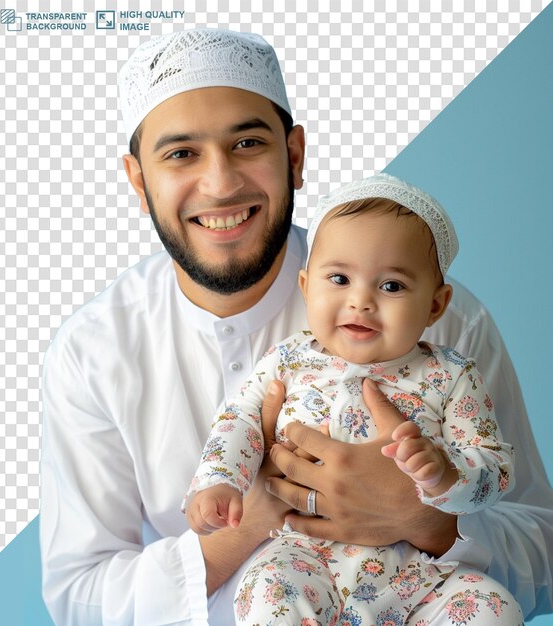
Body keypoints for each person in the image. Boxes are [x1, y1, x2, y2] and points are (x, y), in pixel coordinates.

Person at [39, 28, 553, 625]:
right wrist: (251, 520)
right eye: (181, 153)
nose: (220, 183)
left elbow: (542, 552)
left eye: (248, 143)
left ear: (295, 156)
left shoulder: (443, 321)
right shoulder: (92, 351)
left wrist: (424, 518)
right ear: (137, 179)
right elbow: (78, 594)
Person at [184, 174, 520, 625]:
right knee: (267, 591)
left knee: (492, 607)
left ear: (436, 305)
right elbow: (240, 419)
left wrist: (446, 476)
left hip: (419, 572)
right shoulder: (288, 361)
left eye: (392, 286)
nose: (361, 300)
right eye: (339, 278)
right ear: (307, 286)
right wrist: (220, 480)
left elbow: (496, 467)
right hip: (304, 557)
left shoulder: (453, 375)